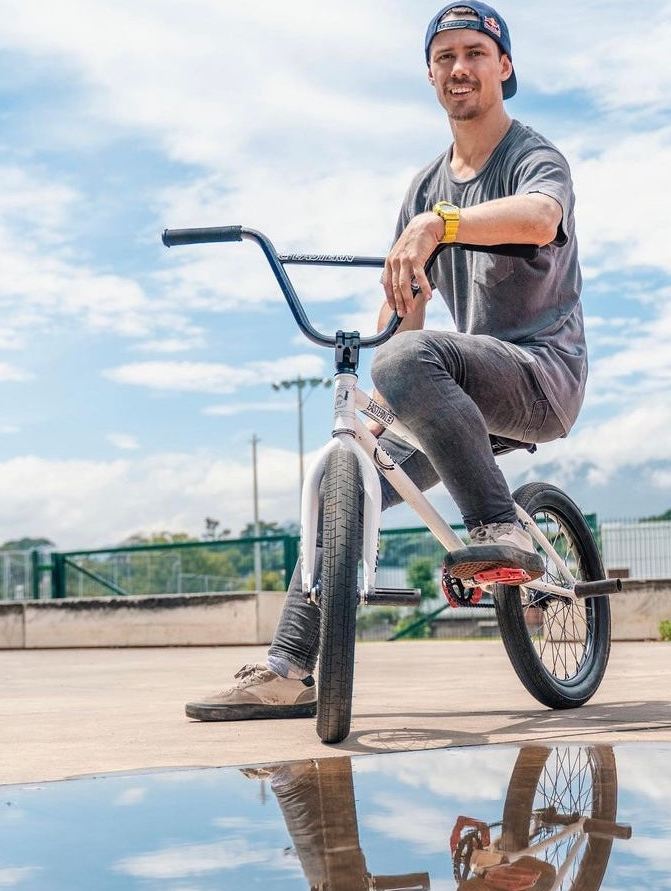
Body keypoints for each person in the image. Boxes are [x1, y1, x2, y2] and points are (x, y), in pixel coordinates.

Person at [185, 1, 587, 721]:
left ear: (505, 67)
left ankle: (496, 525)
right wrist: (380, 389)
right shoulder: (424, 185)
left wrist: (443, 225)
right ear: (431, 74)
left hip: (540, 374)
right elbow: (406, 320)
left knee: (403, 363)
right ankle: (287, 669)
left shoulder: (532, 156)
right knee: (348, 479)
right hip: (457, 389)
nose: (458, 68)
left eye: (473, 52)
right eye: (444, 57)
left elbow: (540, 219)